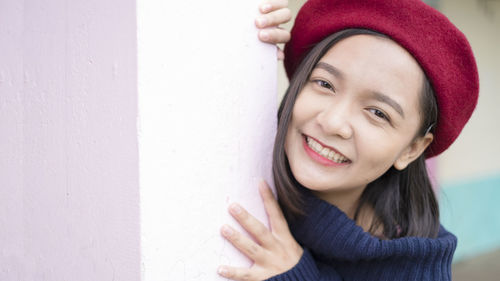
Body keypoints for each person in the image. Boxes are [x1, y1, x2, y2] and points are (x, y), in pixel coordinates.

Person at [218, 0, 479, 280]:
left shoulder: (416, 268)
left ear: (412, 149)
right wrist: (246, 40)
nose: (332, 123)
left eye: (378, 112)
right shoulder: (243, 177)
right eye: (325, 84)